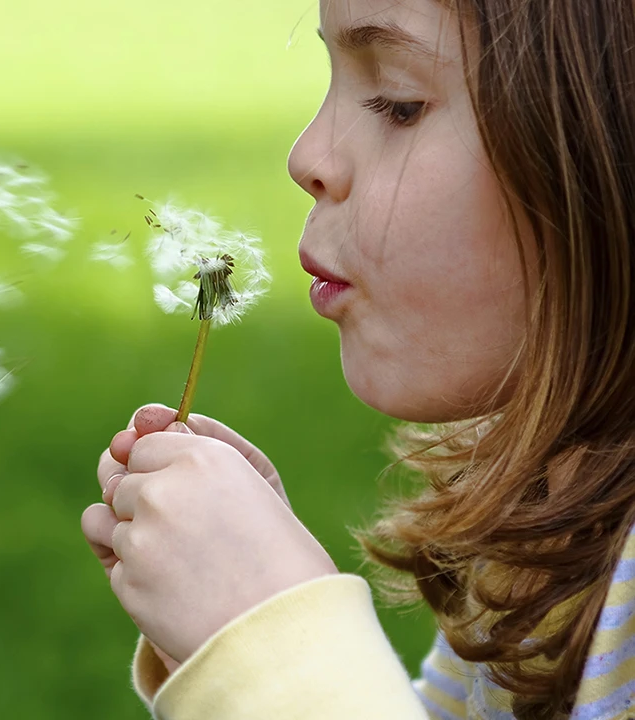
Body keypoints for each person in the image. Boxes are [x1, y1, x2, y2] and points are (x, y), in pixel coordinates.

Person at [79, 0, 635, 717]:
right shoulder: (548, 517)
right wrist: (221, 624)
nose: (306, 154)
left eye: (398, 104)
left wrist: (276, 653)